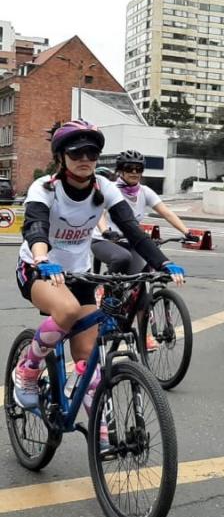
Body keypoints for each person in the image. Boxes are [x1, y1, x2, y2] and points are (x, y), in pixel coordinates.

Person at [12, 121, 185, 425]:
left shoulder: (103, 188)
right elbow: (35, 227)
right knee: (66, 310)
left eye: (91, 154)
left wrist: (163, 263)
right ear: (61, 157)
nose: (85, 160)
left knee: (89, 358)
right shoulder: (45, 188)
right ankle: (27, 370)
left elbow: (133, 230)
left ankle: (100, 432)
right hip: (38, 269)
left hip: (79, 276)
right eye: (76, 153)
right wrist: (42, 258)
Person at [91, 149, 195, 275]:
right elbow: (100, 213)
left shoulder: (145, 191)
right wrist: (105, 231)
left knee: (144, 273)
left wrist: (187, 232)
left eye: (138, 168)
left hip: (131, 241)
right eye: (129, 168)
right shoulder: (111, 189)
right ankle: (106, 290)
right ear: (120, 170)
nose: (134, 172)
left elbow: (166, 213)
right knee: (122, 258)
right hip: (105, 241)